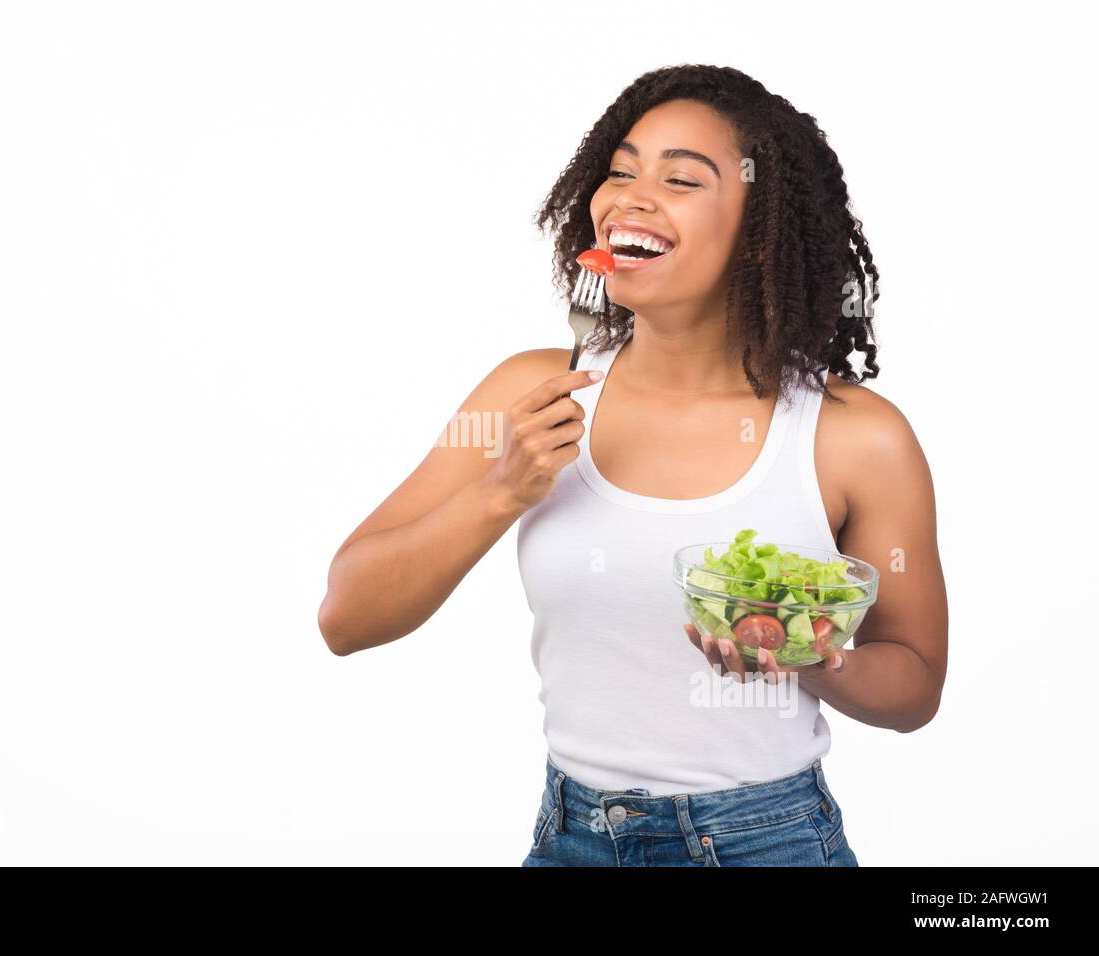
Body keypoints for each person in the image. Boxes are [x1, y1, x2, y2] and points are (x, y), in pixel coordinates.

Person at [317, 64, 947, 867]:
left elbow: (915, 685)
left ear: (760, 230)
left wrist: (808, 656)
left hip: (770, 843)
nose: (631, 197)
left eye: (681, 178)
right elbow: (345, 616)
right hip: (571, 837)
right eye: (619, 171)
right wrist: (497, 492)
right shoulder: (529, 392)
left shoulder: (854, 436)